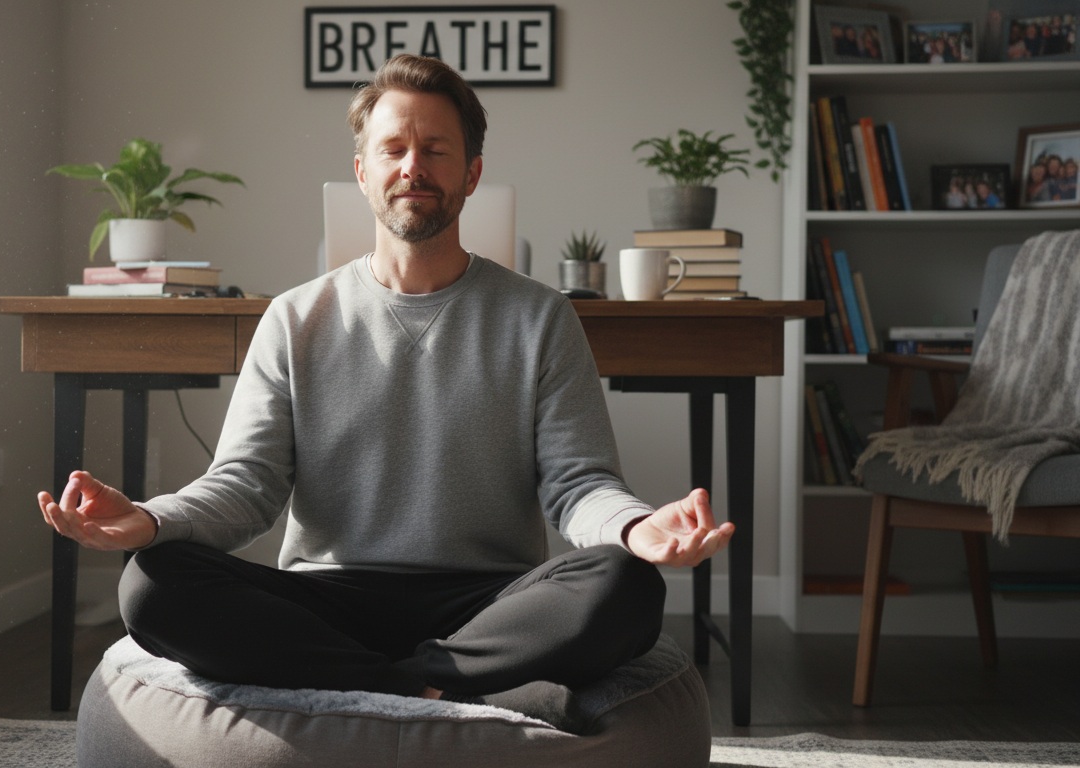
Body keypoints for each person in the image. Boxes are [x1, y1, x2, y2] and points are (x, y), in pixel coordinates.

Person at [37, 54, 733, 735]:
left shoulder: (539, 316)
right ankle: (433, 686)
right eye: (394, 148)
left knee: (628, 586)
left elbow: (579, 485)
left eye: (435, 149)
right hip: (329, 599)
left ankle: (379, 682)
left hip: (491, 603)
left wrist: (638, 529)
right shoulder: (294, 317)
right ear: (363, 171)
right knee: (151, 583)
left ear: (471, 174)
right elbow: (244, 485)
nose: (413, 167)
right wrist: (149, 521)